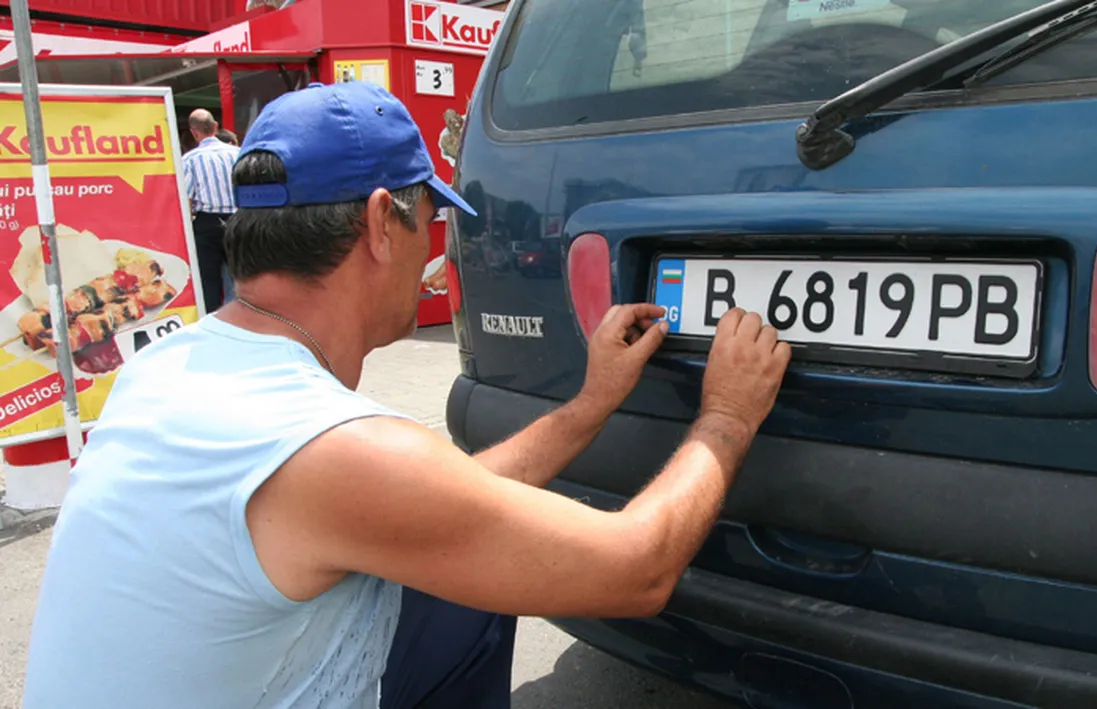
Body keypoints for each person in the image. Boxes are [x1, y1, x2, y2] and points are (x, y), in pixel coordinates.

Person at [22, 81, 791, 709]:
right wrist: (726, 415)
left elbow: (442, 507)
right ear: (379, 223)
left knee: (469, 582)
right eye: (427, 217)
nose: (434, 242)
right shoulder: (334, 446)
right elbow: (636, 570)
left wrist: (591, 402)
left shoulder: (167, 367)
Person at [182, 108, 239, 311]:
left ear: (194, 132)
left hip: (207, 224)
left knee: (209, 284)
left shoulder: (189, 160)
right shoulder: (237, 154)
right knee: (240, 279)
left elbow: (186, 200)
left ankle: (213, 323)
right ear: (215, 127)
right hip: (238, 221)